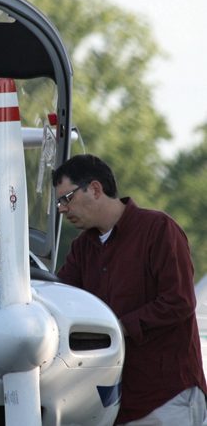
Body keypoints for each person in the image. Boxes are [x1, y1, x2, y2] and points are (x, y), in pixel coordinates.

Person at [53, 154, 207, 425]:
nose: (62, 209)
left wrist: (115, 328)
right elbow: (59, 304)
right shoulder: (80, 249)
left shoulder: (159, 228)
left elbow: (179, 301)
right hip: (109, 403)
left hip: (167, 398)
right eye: (59, 202)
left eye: (66, 198)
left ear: (96, 189)